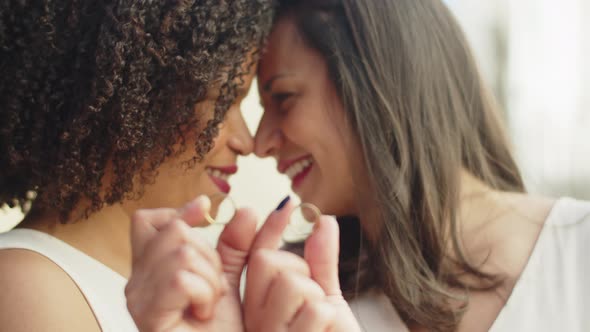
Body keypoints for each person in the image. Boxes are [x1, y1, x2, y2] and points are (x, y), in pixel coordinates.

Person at [127, 0, 590, 331]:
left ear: (380, 82)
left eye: (283, 98)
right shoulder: (285, 304)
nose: (262, 144)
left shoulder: (578, 252)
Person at [0, 1, 273, 331]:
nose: (247, 142)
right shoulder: (26, 285)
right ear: (129, 104)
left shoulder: (188, 273)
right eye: (220, 103)